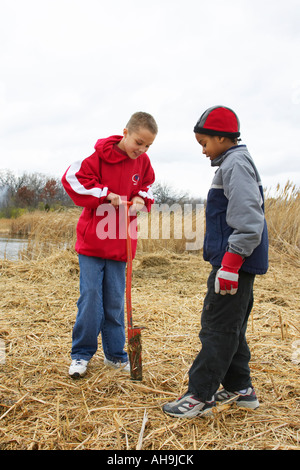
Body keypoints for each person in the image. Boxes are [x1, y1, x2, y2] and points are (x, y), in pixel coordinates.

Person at [163, 105, 268, 417]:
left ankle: (200, 395)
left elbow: (250, 221)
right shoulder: (234, 162)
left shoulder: (236, 164)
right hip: (234, 264)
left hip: (233, 265)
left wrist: (231, 265)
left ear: (222, 138)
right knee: (231, 327)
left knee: (216, 328)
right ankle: (240, 389)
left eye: (204, 143)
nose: (204, 151)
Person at [62, 112, 158, 378]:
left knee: (115, 303)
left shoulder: (143, 163)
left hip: (121, 244)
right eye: (139, 142)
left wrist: (140, 198)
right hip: (93, 244)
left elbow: (149, 186)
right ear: (125, 132)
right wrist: (106, 194)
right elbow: (72, 179)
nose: (142, 149)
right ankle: (81, 355)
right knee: (91, 299)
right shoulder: (98, 157)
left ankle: (116, 356)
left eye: (148, 145)